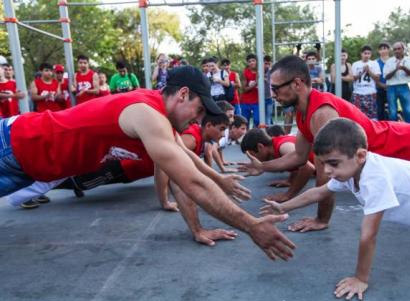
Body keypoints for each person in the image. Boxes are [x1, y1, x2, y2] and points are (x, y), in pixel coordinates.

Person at [0, 66, 295, 261]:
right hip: (16, 145)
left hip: (31, 165)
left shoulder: (160, 118)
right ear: (182, 94)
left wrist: (219, 181)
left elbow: (187, 162)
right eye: (199, 109)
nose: (199, 118)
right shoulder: (147, 114)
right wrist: (251, 225)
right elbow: (189, 181)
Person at [239, 55, 410, 233]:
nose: (273, 94)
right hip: (403, 152)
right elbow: (298, 156)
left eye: (276, 88)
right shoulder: (303, 113)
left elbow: (324, 176)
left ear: (297, 83)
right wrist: (263, 167)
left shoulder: (322, 114)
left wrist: (321, 220)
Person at [261, 118, 410, 300]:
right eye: (323, 163)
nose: (327, 170)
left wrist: (361, 278)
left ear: (361, 155)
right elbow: (319, 192)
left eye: (333, 163)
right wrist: (282, 206)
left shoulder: (374, 179)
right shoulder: (351, 170)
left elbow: (368, 236)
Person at [241, 128, 315, 202]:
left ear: (260, 147)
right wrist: (290, 181)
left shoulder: (283, 146)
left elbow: (308, 168)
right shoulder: (276, 145)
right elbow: (294, 163)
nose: (253, 160)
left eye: (252, 156)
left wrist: (287, 195)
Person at [383, 42, 410, 124]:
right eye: (395, 49)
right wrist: (395, 69)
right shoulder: (389, 61)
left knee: (408, 110)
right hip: (391, 87)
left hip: (404, 86)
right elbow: (386, 77)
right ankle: (394, 131)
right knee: (392, 112)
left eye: (399, 49)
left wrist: (403, 68)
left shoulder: (408, 60)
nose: (397, 51)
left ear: (403, 49)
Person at [351, 45, 381, 119]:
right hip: (358, 92)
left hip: (370, 92)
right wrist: (362, 72)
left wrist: (369, 71)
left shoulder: (374, 63)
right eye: (365, 53)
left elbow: (377, 78)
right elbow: (353, 78)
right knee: (357, 115)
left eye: (368, 53)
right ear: (361, 54)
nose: (367, 55)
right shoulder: (355, 64)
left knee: (372, 115)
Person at [240, 54, 260, 127]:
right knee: (245, 122)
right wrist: (255, 84)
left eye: (253, 61)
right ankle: (247, 137)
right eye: (249, 61)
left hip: (257, 101)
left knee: (257, 121)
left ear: (257, 61)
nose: (251, 63)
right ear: (247, 63)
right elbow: (244, 89)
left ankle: (254, 135)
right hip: (246, 101)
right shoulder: (245, 72)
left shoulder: (260, 71)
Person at [375, 43, 390, 120]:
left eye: (385, 48)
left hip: (391, 89)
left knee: (392, 110)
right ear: (378, 51)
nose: (383, 51)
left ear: (388, 50)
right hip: (379, 89)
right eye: (381, 49)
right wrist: (382, 85)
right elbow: (374, 77)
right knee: (379, 110)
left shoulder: (393, 61)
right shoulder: (375, 62)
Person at [264, 55, 274, 125]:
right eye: (265, 63)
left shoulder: (271, 72)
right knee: (260, 117)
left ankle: (269, 133)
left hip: (269, 97)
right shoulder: (258, 72)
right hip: (260, 98)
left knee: (268, 117)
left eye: (268, 64)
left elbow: (271, 82)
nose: (267, 65)